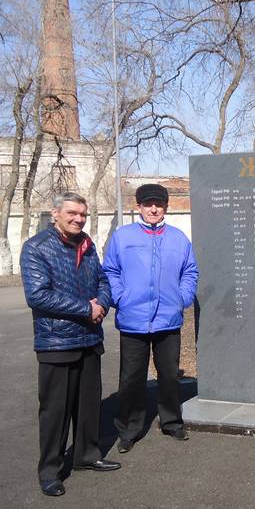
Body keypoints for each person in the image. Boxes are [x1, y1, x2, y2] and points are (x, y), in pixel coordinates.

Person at [21, 192, 121, 497]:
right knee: (55, 411)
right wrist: (86, 308)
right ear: (55, 214)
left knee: (88, 405)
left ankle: (87, 456)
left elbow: (103, 281)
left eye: (83, 214)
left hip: (89, 338)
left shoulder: (87, 246)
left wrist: (102, 303)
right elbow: (37, 295)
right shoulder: (36, 248)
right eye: (72, 213)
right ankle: (50, 470)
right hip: (57, 341)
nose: (78, 219)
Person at [103, 183, 198, 453]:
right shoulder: (123, 237)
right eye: (148, 204)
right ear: (139, 206)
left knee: (168, 375)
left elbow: (190, 271)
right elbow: (110, 271)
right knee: (131, 377)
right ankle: (129, 429)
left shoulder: (179, 239)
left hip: (168, 319)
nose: (153, 208)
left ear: (166, 207)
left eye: (158, 204)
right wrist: (120, 298)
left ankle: (171, 422)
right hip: (134, 319)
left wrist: (182, 297)